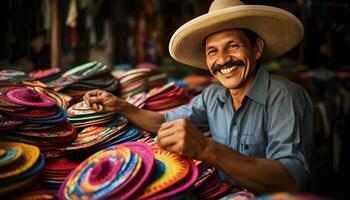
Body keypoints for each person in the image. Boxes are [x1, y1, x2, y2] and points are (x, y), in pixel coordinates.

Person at [84, 0, 313, 194]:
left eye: (232, 46)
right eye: (212, 51)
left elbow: (291, 179)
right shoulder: (213, 95)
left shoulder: (286, 97)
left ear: (257, 49)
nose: (222, 60)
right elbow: (164, 122)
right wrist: (120, 105)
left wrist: (207, 149)